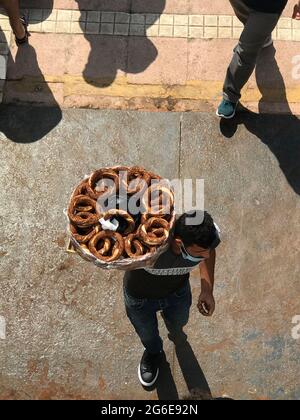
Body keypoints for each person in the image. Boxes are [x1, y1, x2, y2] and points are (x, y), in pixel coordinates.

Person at [123, 210, 221, 387]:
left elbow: (210, 252)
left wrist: (207, 289)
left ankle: (175, 331)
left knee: (178, 323)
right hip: (140, 299)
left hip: (177, 294)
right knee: (148, 335)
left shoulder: (207, 237)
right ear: (178, 242)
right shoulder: (148, 245)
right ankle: (154, 354)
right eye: (198, 253)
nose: (204, 257)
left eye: (205, 251)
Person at [217, 0, 300, 119]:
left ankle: (230, 96)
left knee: (245, 52)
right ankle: (263, 37)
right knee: (247, 22)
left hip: (267, 7)